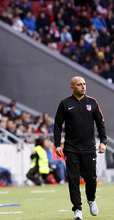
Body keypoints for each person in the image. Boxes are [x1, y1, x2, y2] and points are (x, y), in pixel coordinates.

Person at [54, 76, 107, 220]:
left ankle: (91, 199)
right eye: (79, 84)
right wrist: (57, 144)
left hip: (89, 147)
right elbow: (57, 125)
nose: (83, 86)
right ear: (72, 87)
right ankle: (77, 210)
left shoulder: (92, 102)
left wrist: (103, 142)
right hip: (71, 148)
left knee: (91, 178)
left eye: (84, 84)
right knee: (73, 179)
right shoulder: (65, 103)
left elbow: (100, 123)